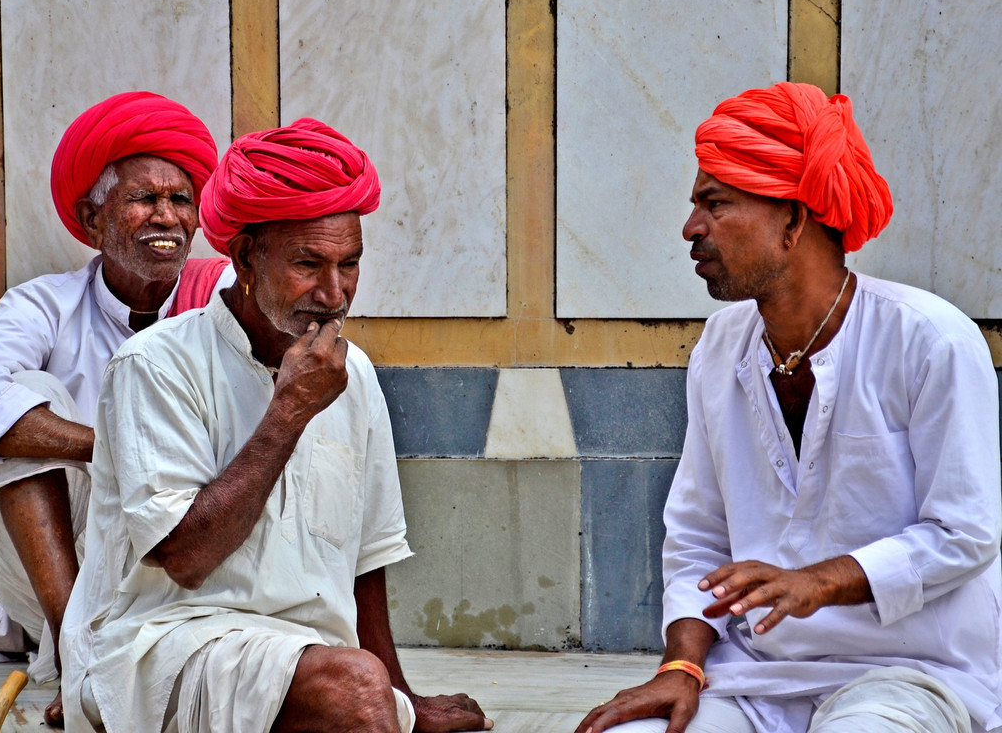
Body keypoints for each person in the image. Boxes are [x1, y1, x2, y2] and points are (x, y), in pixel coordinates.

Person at [575, 82, 1002, 733]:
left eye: (714, 204)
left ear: (794, 220)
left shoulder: (930, 339)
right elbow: (697, 538)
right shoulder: (721, 347)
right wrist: (681, 668)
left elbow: (963, 532)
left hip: (911, 675)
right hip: (754, 675)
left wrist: (819, 581)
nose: (691, 229)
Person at [60, 118, 493, 733]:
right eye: (309, 264)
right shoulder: (155, 366)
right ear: (244, 256)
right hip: (160, 648)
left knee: (367, 694)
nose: (334, 291)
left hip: (310, 657)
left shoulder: (355, 372)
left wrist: (403, 696)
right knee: (353, 691)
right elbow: (183, 557)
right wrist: (288, 411)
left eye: (350, 264)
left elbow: (365, 562)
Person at [0, 91, 231, 727]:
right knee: (25, 413)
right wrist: (112, 449)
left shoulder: (222, 295)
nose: (168, 216)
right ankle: (81, 652)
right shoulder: (43, 305)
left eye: (181, 200)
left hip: (189, 549)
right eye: (143, 199)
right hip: (68, 564)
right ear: (92, 219)